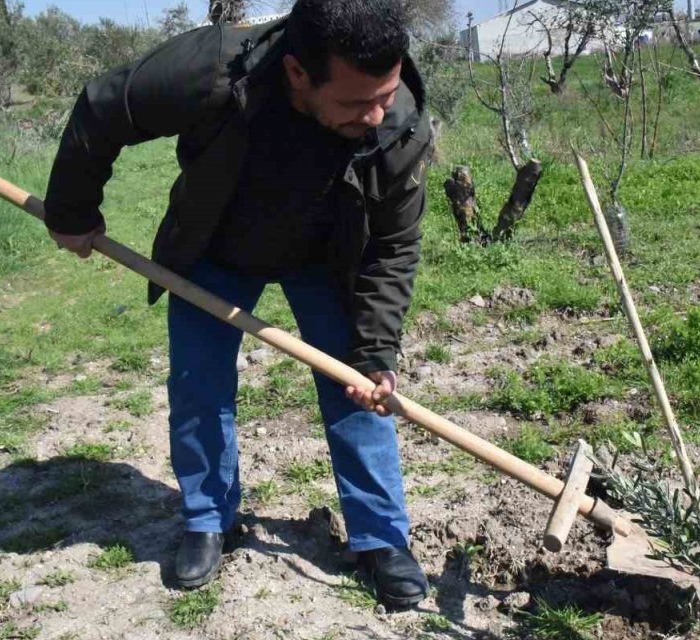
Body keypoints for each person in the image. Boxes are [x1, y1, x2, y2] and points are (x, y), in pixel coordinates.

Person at [41, 0, 432, 609]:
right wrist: (70, 211)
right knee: (198, 387)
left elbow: (393, 246)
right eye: (358, 103)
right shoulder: (213, 68)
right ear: (300, 73)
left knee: (358, 387)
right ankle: (206, 520)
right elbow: (103, 106)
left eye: (385, 93)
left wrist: (377, 349)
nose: (377, 112)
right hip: (216, 245)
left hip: (329, 255)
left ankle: (382, 538)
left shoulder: (398, 123)